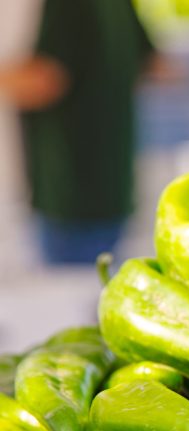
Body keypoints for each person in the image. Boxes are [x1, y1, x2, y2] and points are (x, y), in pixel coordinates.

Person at [0, 0, 155, 264]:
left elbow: (44, 80)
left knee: (73, 293)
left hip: (70, 192)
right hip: (113, 183)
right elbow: (154, 64)